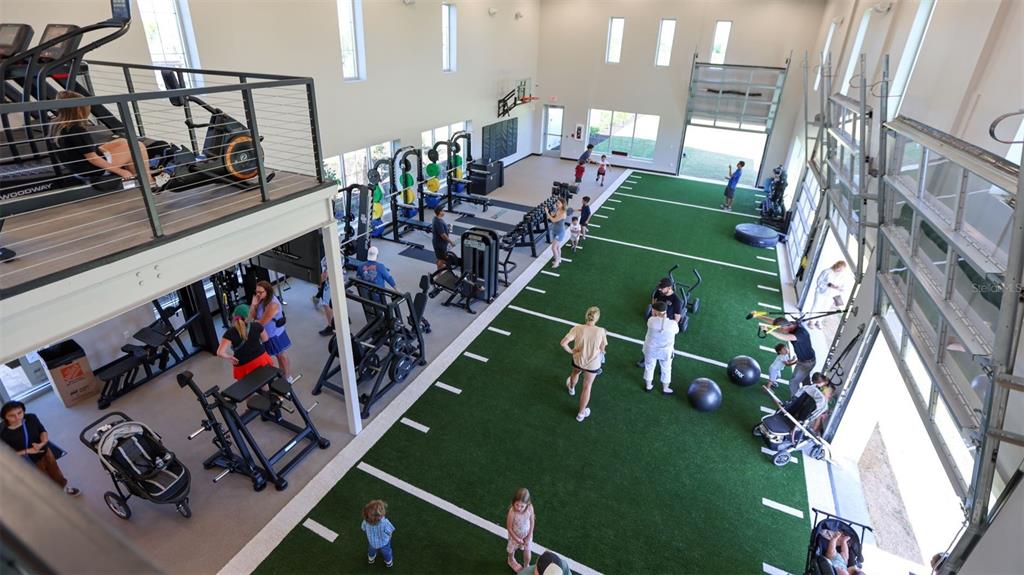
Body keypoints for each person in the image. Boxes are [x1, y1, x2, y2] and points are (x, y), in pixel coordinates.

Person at [51, 90, 168, 190]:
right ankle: (151, 183)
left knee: (122, 141)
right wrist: (120, 171)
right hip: (91, 168)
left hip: (78, 165)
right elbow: (93, 159)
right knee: (138, 147)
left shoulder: (56, 125)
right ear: (79, 110)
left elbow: (81, 151)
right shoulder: (76, 130)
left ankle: (140, 176)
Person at [1, 401, 80, 496]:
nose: (18, 417)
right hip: (28, 460)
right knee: (42, 480)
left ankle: (63, 488)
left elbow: (42, 431)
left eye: (20, 413)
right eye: (12, 416)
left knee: (56, 472)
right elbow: (5, 455)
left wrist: (43, 443)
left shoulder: (31, 418)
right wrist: (27, 451)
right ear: (5, 417)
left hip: (45, 451)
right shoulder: (3, 433)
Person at [561, 306, 608, 422]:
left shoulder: (577, 328)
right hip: (593, 364)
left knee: (575, 373)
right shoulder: (601, 331)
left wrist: (571, 351)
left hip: (578, 360)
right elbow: (603, 348)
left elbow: (563, 343)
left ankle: (571, 388)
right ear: (597, 318)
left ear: (586, 316)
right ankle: (581, 414)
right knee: (587, 386)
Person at [761, 316, 816, 396]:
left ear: (785, 326)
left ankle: (795, 402)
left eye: (780, 330)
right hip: (804, 360)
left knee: (793, 383)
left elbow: (785, 337)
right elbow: (774, 321)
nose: (781, 332)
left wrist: (769, 331)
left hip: (806, 362)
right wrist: (758, 316)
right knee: (805, 381)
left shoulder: (800, 333)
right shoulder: (789, 324)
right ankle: (807, 397)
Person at [249, 281, 292, 380]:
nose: (258, 294)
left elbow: (261, 323)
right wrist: (253, 305)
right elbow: (253, 316)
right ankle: (283, 374)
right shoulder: (261, 300)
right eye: (257, 292)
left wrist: (254, 321)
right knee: (278, 356)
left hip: (274, 334)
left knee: (282, 356)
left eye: (260, 292)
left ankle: (288, 377)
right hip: (268, 333)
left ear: (267, 291)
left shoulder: (272, 304)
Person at [217, 304, 274, 380]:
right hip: (262, 360)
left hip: (243, 366)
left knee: (246, 384)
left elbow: (220, 352)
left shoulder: (229, 333)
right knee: (263, 380)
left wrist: (229, 357)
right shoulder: (257, 325)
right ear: (247, 316)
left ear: (234, 316)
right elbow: (265, 339)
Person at [642, 301, 679, 394]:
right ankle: (665, 389)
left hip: (650, 350)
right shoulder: (673, 324)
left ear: (655, 312)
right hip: (666, 352)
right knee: (666, 369)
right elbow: (676, 331)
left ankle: (648, 386)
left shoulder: (651, 321)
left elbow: (657, 323)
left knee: (649, 367)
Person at [808, 260, 849, 329]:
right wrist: (829, 285)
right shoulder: (827, 271)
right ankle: (811, 321)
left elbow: (843, 287)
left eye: (842, 270)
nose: (840, 270)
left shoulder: (841, 276)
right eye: (839, 268)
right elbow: (819, 281)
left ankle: (819, 321)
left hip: (831, 295)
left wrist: (839, 288)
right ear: (836, 265)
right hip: (821, 292)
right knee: (816, 306)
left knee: (825, 308)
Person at [506, 487, 536, 572]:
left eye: (522, 506)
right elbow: (509, 527)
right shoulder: (512, 512)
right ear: (513, 502)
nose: (519, 508)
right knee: (511, 549)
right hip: (515, 535)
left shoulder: (530, 508)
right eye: (517, 505)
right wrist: (517, 539)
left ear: (527, 504)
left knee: (528, 552)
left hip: (527, 534)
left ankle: (526, 565)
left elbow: (532, 521)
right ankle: (511, 560)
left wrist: (529, 535)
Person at [362, 499, 395, 568]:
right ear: (380, 515)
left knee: (371, 550)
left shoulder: (366, 521)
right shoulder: (385, 523)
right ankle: (388, 562)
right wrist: (389, 538)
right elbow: (390, 531)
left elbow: (363, 528)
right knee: (387, 552)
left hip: (372, 542)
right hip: (384, 542)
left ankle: (371, 558)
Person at [432, 206, 456, 270]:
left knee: (441, 258)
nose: (444, 211)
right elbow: (443, 235)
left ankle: (440, 267)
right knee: (442, 259)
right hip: (439, 244)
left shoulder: (438, 219)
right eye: (443, 210)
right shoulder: (438, 222)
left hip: (441, 244)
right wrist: (451, 242)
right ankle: (438, 274)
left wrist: (447, 228)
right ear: (440, 212)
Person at [547, 198, 568, 268]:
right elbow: (554, 217)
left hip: (560, 232)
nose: (557, 204)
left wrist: (547, 213)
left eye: (559, 203)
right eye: (557, 202)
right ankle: (559, 258)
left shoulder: (563, 213)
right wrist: (552, 214)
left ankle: (557, 262)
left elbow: (553, 220)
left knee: (553, 248)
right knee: (558, 247)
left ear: (562, 204)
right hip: (555, 231)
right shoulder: (558, 210)